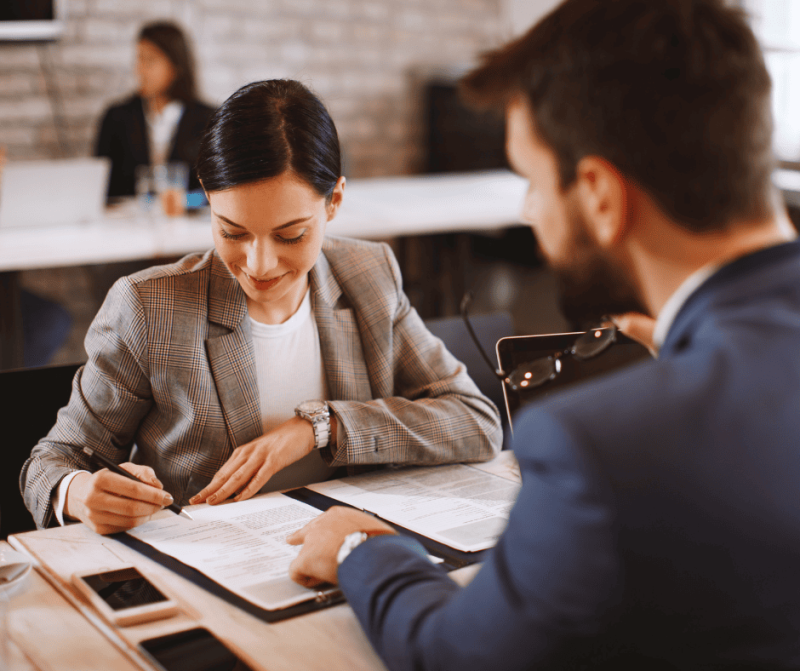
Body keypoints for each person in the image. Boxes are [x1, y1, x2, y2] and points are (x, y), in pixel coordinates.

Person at [287, 1, 800, 669]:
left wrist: (363, 550)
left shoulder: (601, 446)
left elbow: (455, 657)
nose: (531, 211)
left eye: (531, 182)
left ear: (600, 196)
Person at [20, 79, 502, 535]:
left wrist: (322, 426)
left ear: (334, 201)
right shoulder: (149, 307)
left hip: (343, 553)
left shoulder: (369, 275)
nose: (258, 264)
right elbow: (52, 463)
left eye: (290, 235)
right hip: (207, 562)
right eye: (232, 232)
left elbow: (476, 421)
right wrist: (77, 492)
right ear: (207, 196)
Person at [95, 21, 215, 199]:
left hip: (188, 215)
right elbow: (101, 186)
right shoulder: (116, 117)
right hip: (127, 216)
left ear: (176, 66)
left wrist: (185, 201)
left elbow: (217, 190)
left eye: (150, 61)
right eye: (139, 59)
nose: (140, 70)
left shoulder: (209, 120)